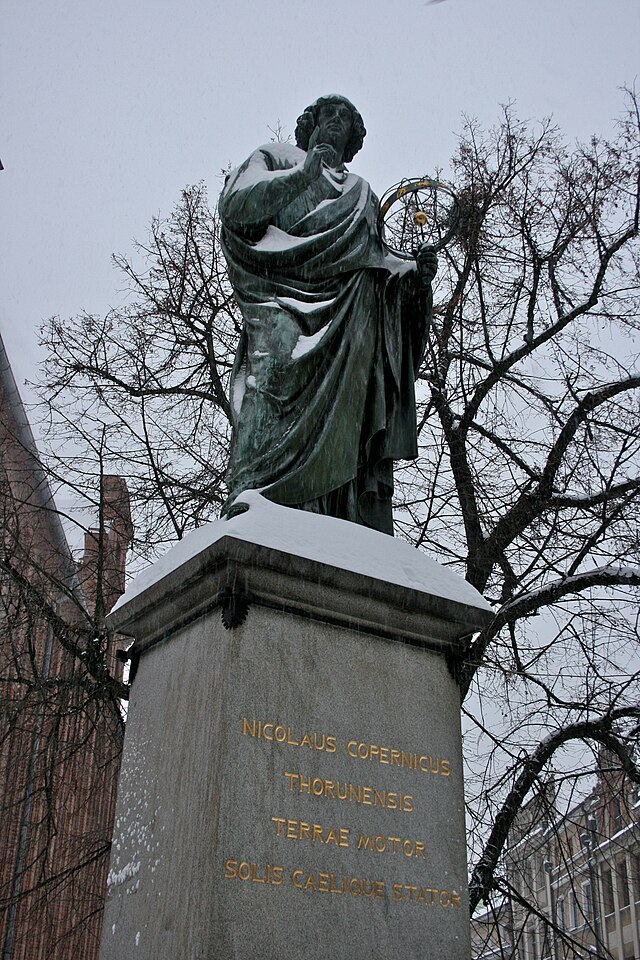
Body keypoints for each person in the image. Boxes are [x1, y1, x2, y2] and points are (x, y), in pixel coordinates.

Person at [219, 95, 437, 535]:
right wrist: (302, 175)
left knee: (351, 414)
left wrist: (414, 279)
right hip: (280, 304)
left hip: (351, 322)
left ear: (354, 139)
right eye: (328, 115)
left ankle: (336, 515)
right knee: (276, 368)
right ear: (310, 124)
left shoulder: (361, 193)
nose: (336, 123)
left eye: (346, 119)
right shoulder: (274, 157)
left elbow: (379, 271)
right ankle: (255, 497)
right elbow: (236, 210)